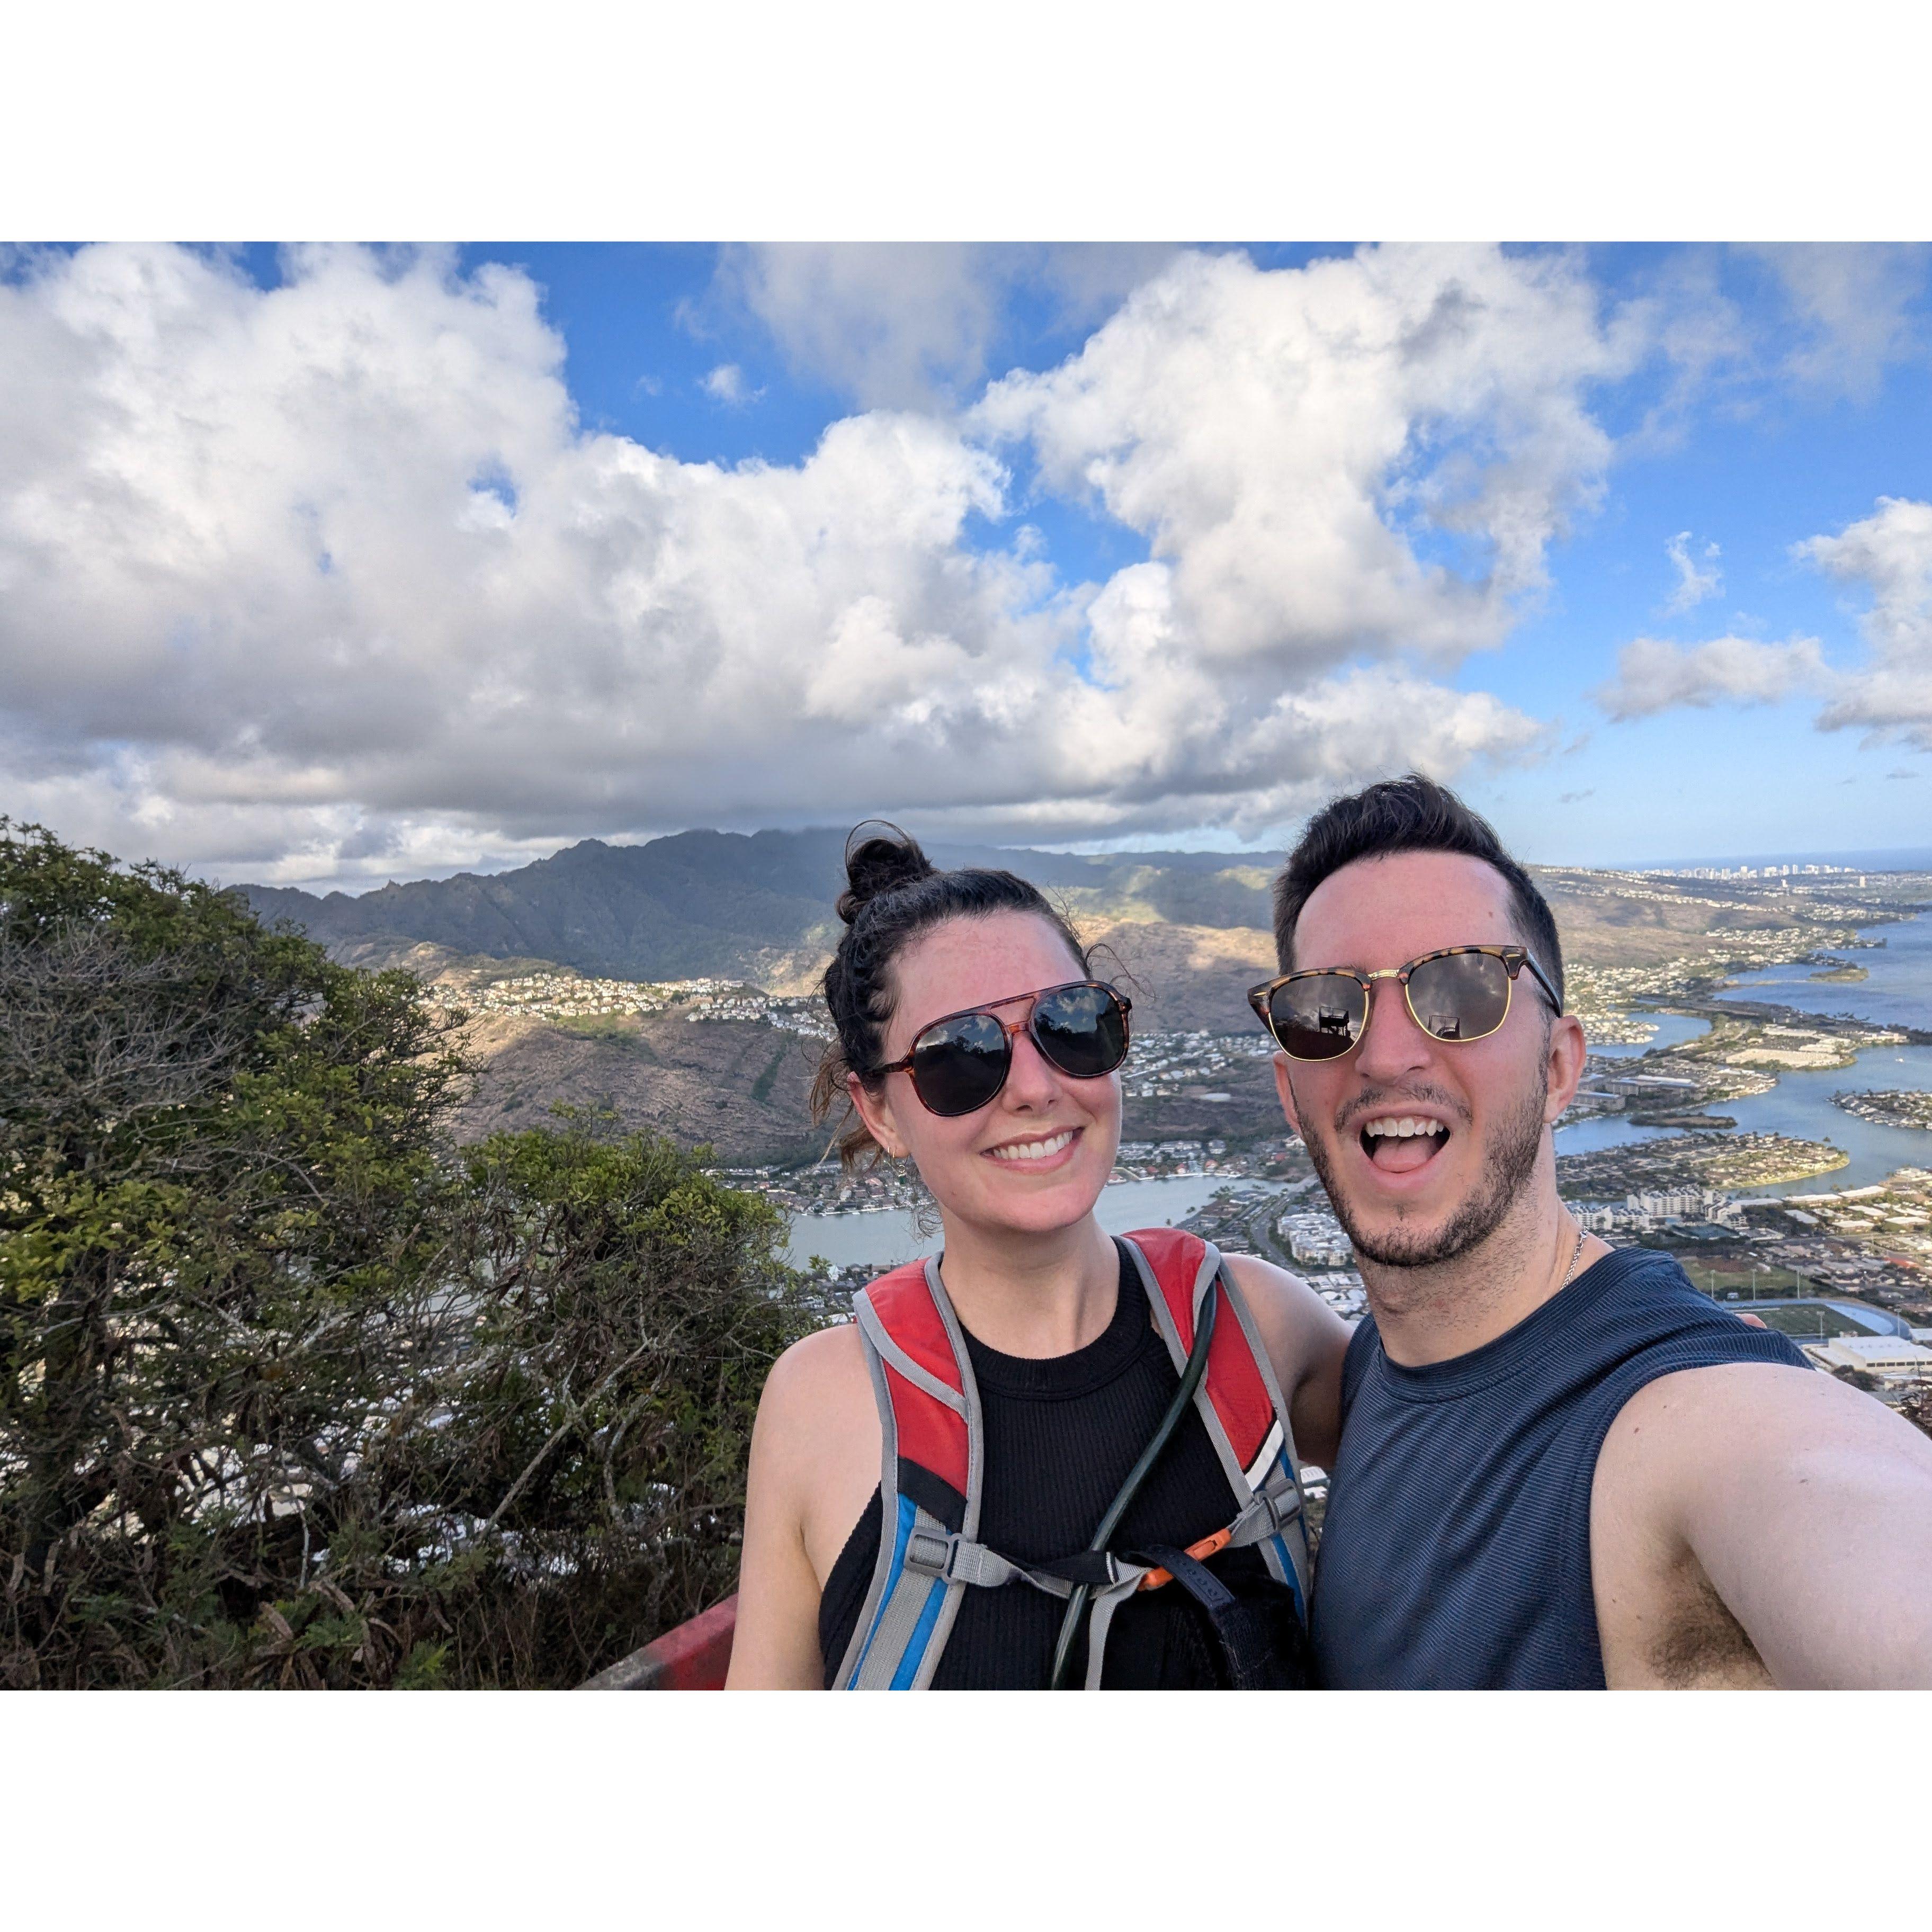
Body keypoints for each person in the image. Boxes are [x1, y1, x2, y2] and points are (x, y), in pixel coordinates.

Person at [1250, 774, 1932, 1688]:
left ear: (1561, 1065)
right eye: (1326, 1010)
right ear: (1290, 1093)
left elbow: (1850, 1519)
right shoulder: (1367, 1377)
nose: (1387, 1053)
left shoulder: (1684, 1417)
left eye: (1460, 992)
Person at [729, 827, 1350, 1688]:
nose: (1034, 1087)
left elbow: (1469, 1457)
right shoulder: (823, 1409)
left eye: (1071, 1025)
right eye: (960, 1056)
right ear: (880, 1114)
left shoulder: (1257, 1326)